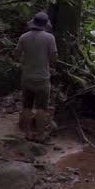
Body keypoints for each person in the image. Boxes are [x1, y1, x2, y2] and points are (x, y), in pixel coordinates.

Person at [15, 12, 57, 141]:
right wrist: (52, 65)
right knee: (41, 108)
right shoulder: (50, 38)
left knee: (27, 106)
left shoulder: (23, 37)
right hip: (43, 78)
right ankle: (40, 134)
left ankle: (27, 133)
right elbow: (54, 55)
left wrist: (25, 61)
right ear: (45, 24)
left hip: (27, 77)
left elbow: (17, 54)